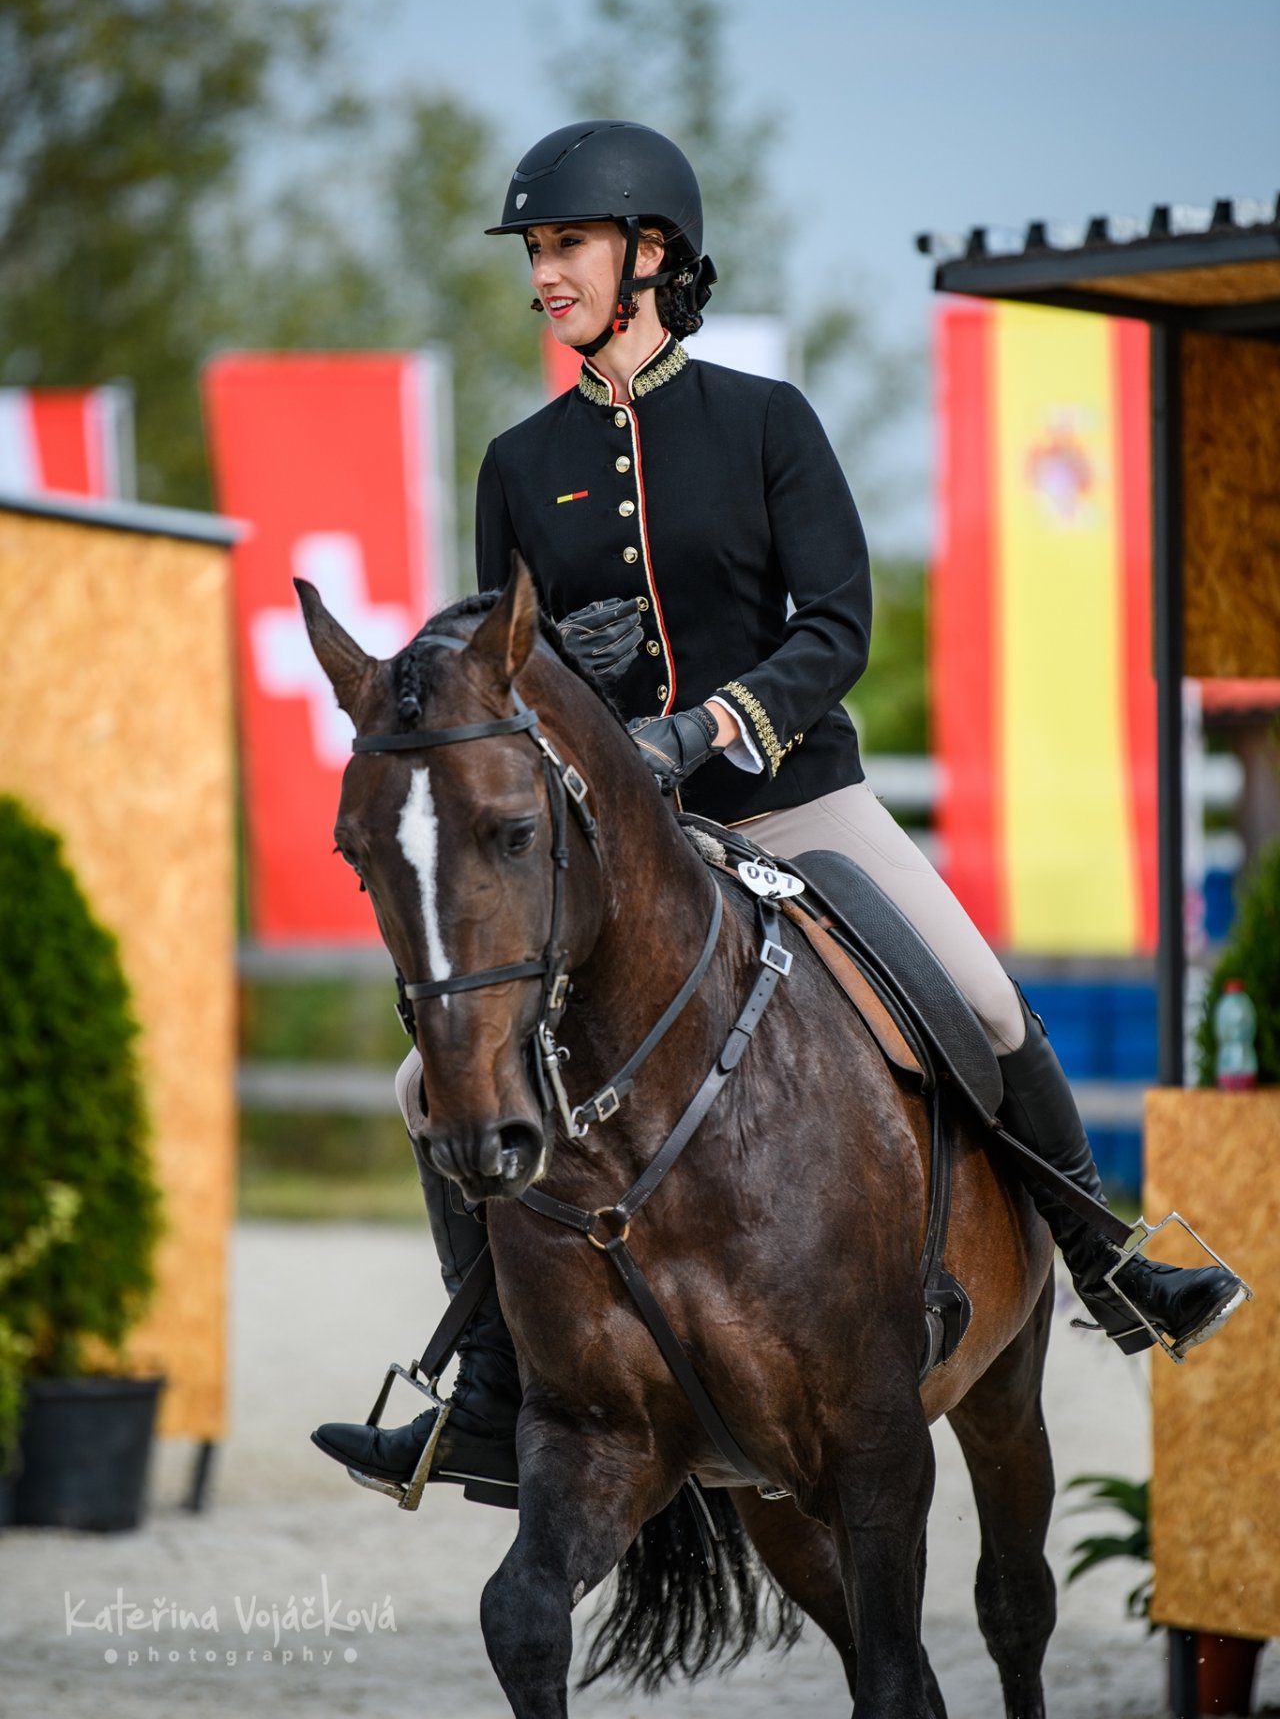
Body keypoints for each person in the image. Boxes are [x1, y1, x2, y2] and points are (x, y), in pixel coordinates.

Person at [313, 120, 1245, 1505]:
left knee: (983, 1005)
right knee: (420, 1084)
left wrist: (702, 726)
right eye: (538, 253)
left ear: (650, 255)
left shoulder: (765, 422)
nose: (543, 277)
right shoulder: (520, 462)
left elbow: (839, 624)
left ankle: (1111, 1260)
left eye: (564, 247)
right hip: (627, 853)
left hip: (798, 801)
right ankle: (492, 1385)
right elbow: (500, 673)